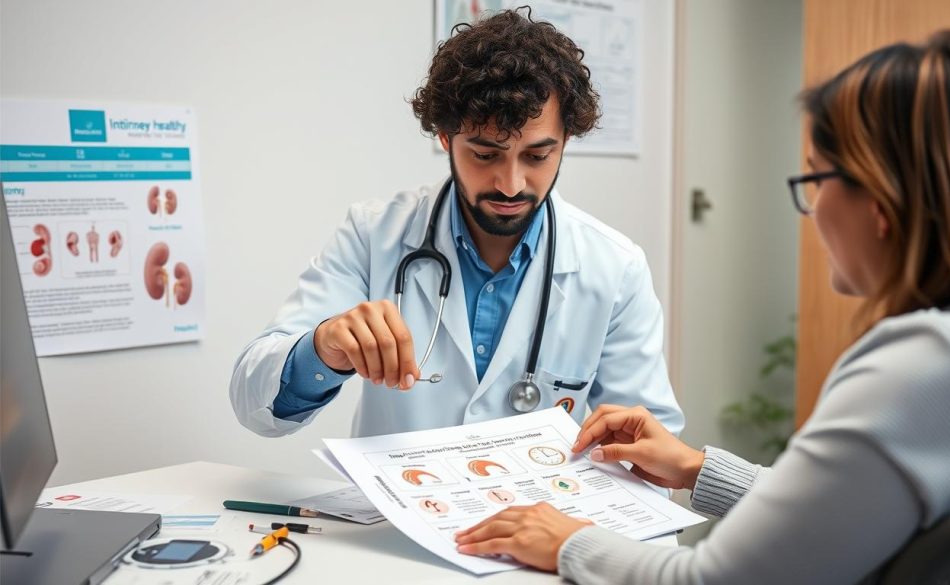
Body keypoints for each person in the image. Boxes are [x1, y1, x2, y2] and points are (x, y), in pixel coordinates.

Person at [453, 30, 950, 584]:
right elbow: (840, 515)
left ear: (879, 201)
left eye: (818, 178)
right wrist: (699, 470)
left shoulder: (926, 368)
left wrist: (567, 541)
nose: (814, 211)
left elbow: (710, 580)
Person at [229, 8, 684, 440]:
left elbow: (646, 448)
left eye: (537, 156)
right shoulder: (373, 234)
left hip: (544, 520)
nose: (510, 184)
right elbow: (255, 400)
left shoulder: (615, 267)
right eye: (485, 155)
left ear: (566, 139)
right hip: (394, 523)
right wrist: (322, 348)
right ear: (446, 136)